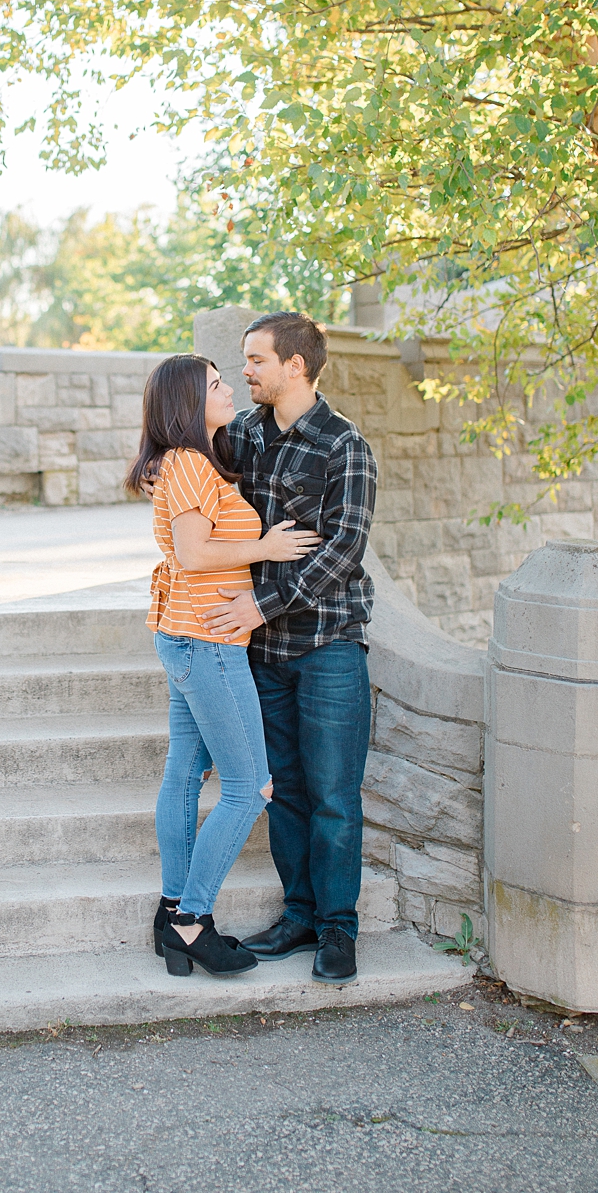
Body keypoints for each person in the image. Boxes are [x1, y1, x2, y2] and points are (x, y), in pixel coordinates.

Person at [125, 354, 323, 978]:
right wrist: (265, 546)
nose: (229, 387)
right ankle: (191, 920)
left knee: (185, 774)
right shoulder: (186, 463)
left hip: (192, 635)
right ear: (187, 401)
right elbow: (191, 551)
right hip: (206, 640)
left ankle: (169, 912)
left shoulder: (192, 461)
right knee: (250, 787)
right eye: (215, 383)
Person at [201, 312, 377, 986]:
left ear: (295, 365)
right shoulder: (241, 434)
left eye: (255, 360)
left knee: (334, 793)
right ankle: (298, 915)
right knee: (287, 794)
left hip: (329, 643)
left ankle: (338, 930)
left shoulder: (344, 446)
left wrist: (259, 603)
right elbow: (194, 481)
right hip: (262, 653)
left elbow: (343, 550)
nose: (244, 370)